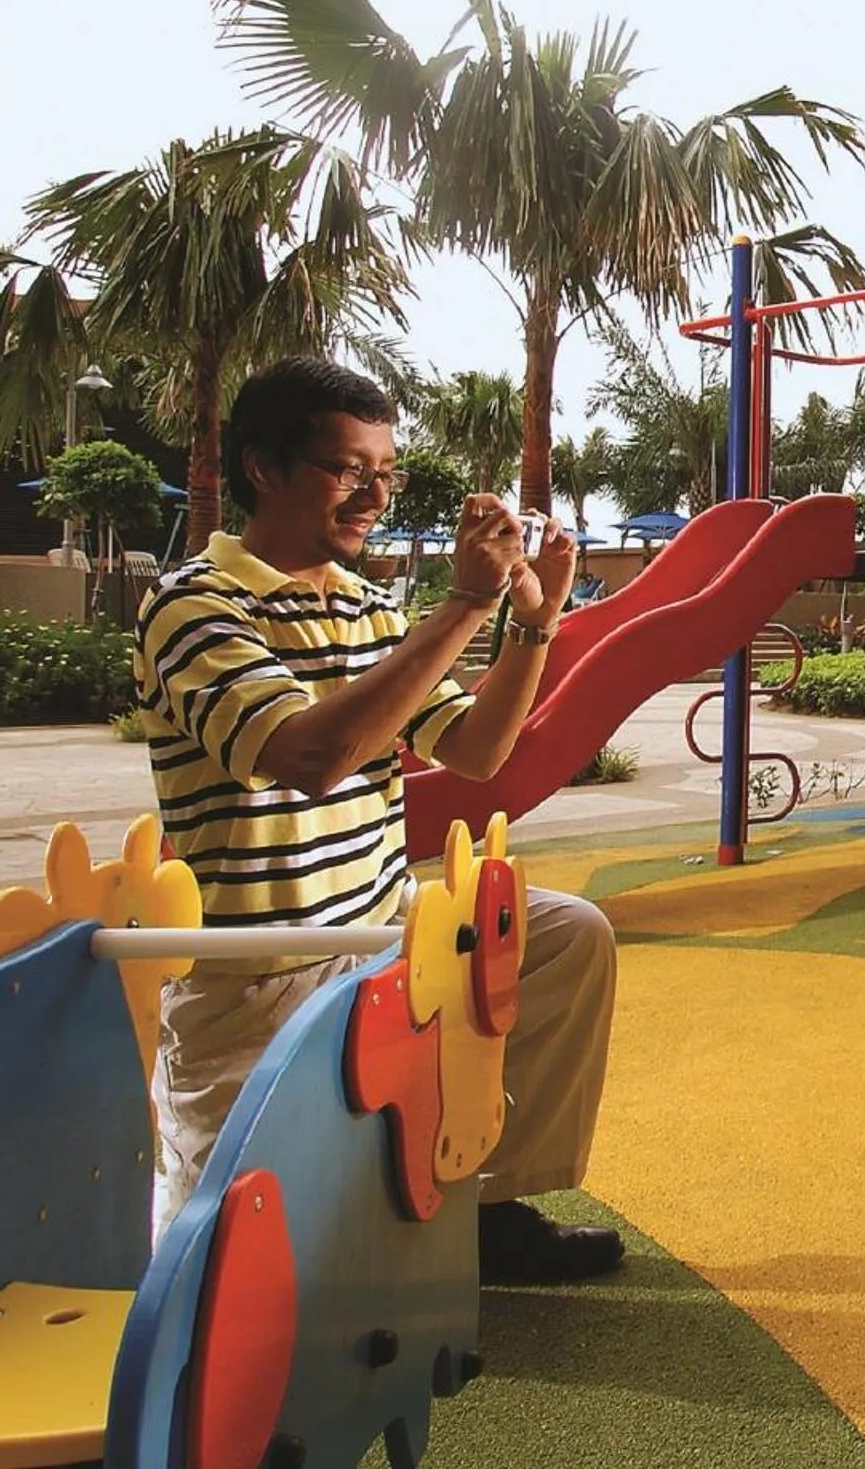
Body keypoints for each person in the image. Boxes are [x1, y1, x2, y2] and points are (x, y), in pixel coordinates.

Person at [135, 356, 623, 1284]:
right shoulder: (193, 604)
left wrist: (533, 626)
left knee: (565, 936)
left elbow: (475, 751)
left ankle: (491, 1207)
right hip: (254, 965)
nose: (374, 494)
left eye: (385, 472)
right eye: (348, 470)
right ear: (263, 469)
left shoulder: (365, 604)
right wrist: (468, 604)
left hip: (380, 927)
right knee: (231, 1272)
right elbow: (309, 759)